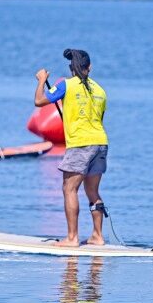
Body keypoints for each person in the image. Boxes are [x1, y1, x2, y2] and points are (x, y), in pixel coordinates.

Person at [34, 49, 109, 247]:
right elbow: (99, 119)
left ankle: (72, 238)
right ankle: (97, 236)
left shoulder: (65, 85)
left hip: (80, 144)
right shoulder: (100, 90)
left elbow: (39, 101)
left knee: (69, 189)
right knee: (93, 191)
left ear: (71, 67)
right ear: (90, 67)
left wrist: (42, 80)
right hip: (100, 143)